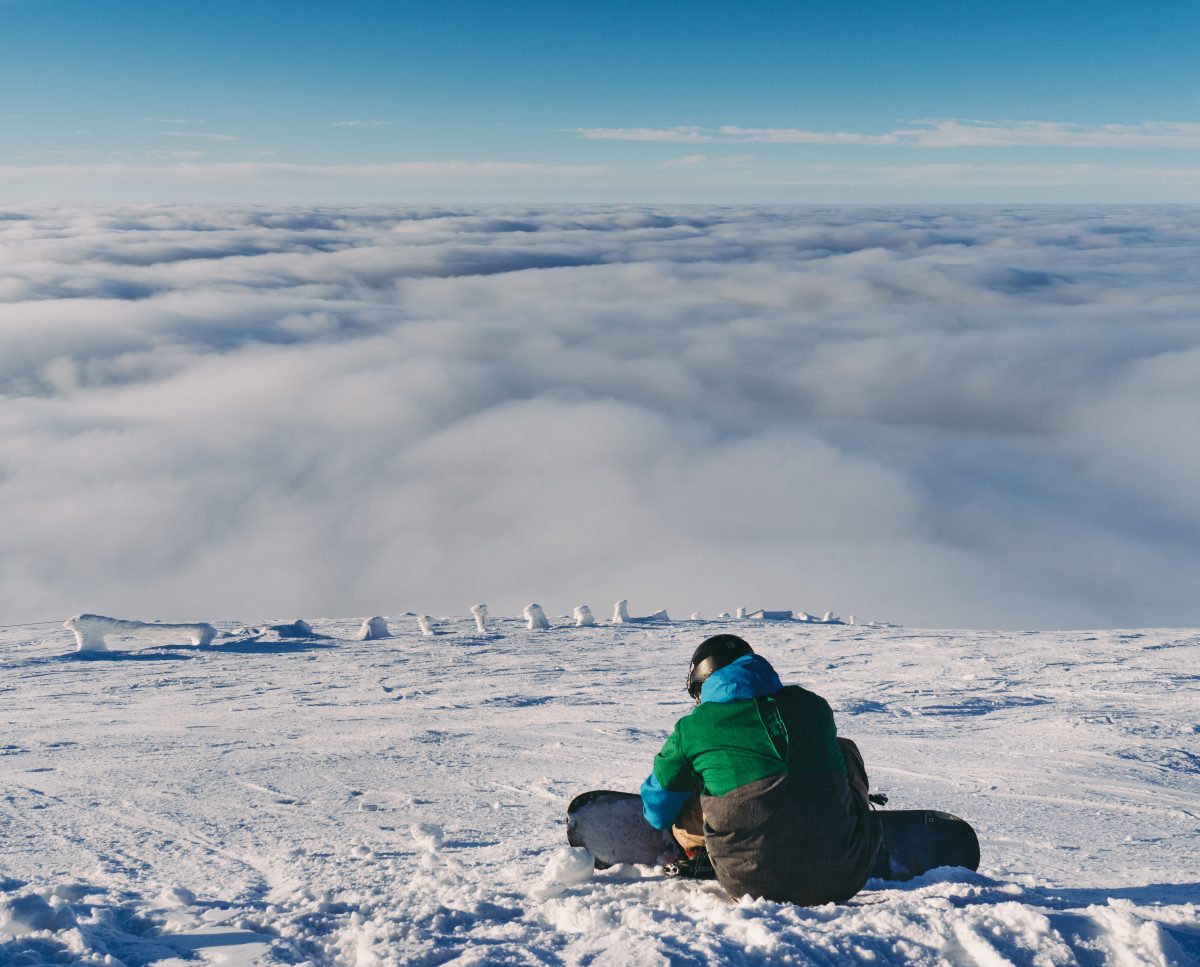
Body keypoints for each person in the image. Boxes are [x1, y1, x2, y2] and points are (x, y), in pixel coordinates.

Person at [640, 634, 882, 905]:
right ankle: (845, 821)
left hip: (751, 883)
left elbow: (658, 812)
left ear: (705, 682)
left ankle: (700, 852)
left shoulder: (692, 728)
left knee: (693, 776)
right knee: (842, 748)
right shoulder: (814, 706)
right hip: (846, 875)